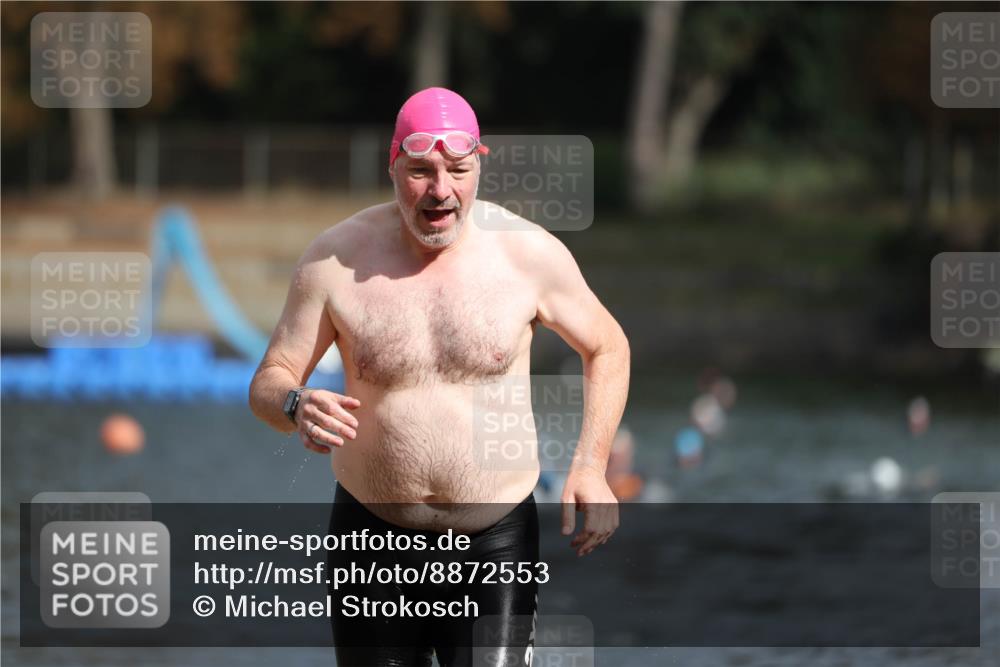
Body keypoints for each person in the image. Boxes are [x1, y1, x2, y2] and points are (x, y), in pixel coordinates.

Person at [249, 87, 630, 666]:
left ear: (480, 164)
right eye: (421, 171)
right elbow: (268, 381)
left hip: (494, 543)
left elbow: (608, 346)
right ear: (393, 165)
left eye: (457, 170)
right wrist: (296, 404)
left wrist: (590, 466)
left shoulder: (528, 256)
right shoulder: (334, 261)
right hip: (370, 540)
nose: (441, 190)